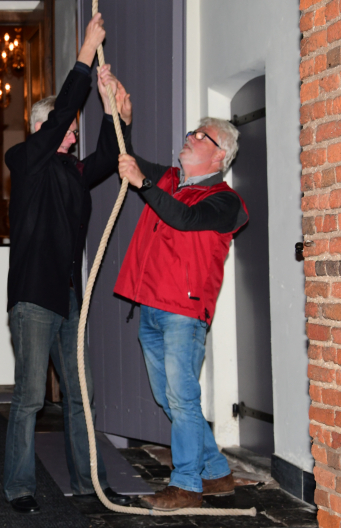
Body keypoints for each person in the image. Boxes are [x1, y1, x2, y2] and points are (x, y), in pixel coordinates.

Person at [2, 12, 133, 515]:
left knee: (81, 398)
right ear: (42, 128)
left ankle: (88, 484)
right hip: (33, 300)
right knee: (31, 398)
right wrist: (85, 53)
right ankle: (19, 487)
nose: (73, 136)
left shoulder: (71, 172)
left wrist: (116, 112)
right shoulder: (26, 160)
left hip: (69, 300)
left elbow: (105, 157)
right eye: (67, 129)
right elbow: (60, 119)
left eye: (75, 130)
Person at [109, 73, 249, 509]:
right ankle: (218, 474)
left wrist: (144, 185)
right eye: (190, 133)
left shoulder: (227, 202)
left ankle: (187, 485)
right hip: (151, 309)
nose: (187, 138)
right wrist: (123, 119)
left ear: (219, 153)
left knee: (182, 399)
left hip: (183, 315)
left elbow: (183, 221)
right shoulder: (171, 180)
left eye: (199, 135)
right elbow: (129, 158)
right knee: (170, 398)